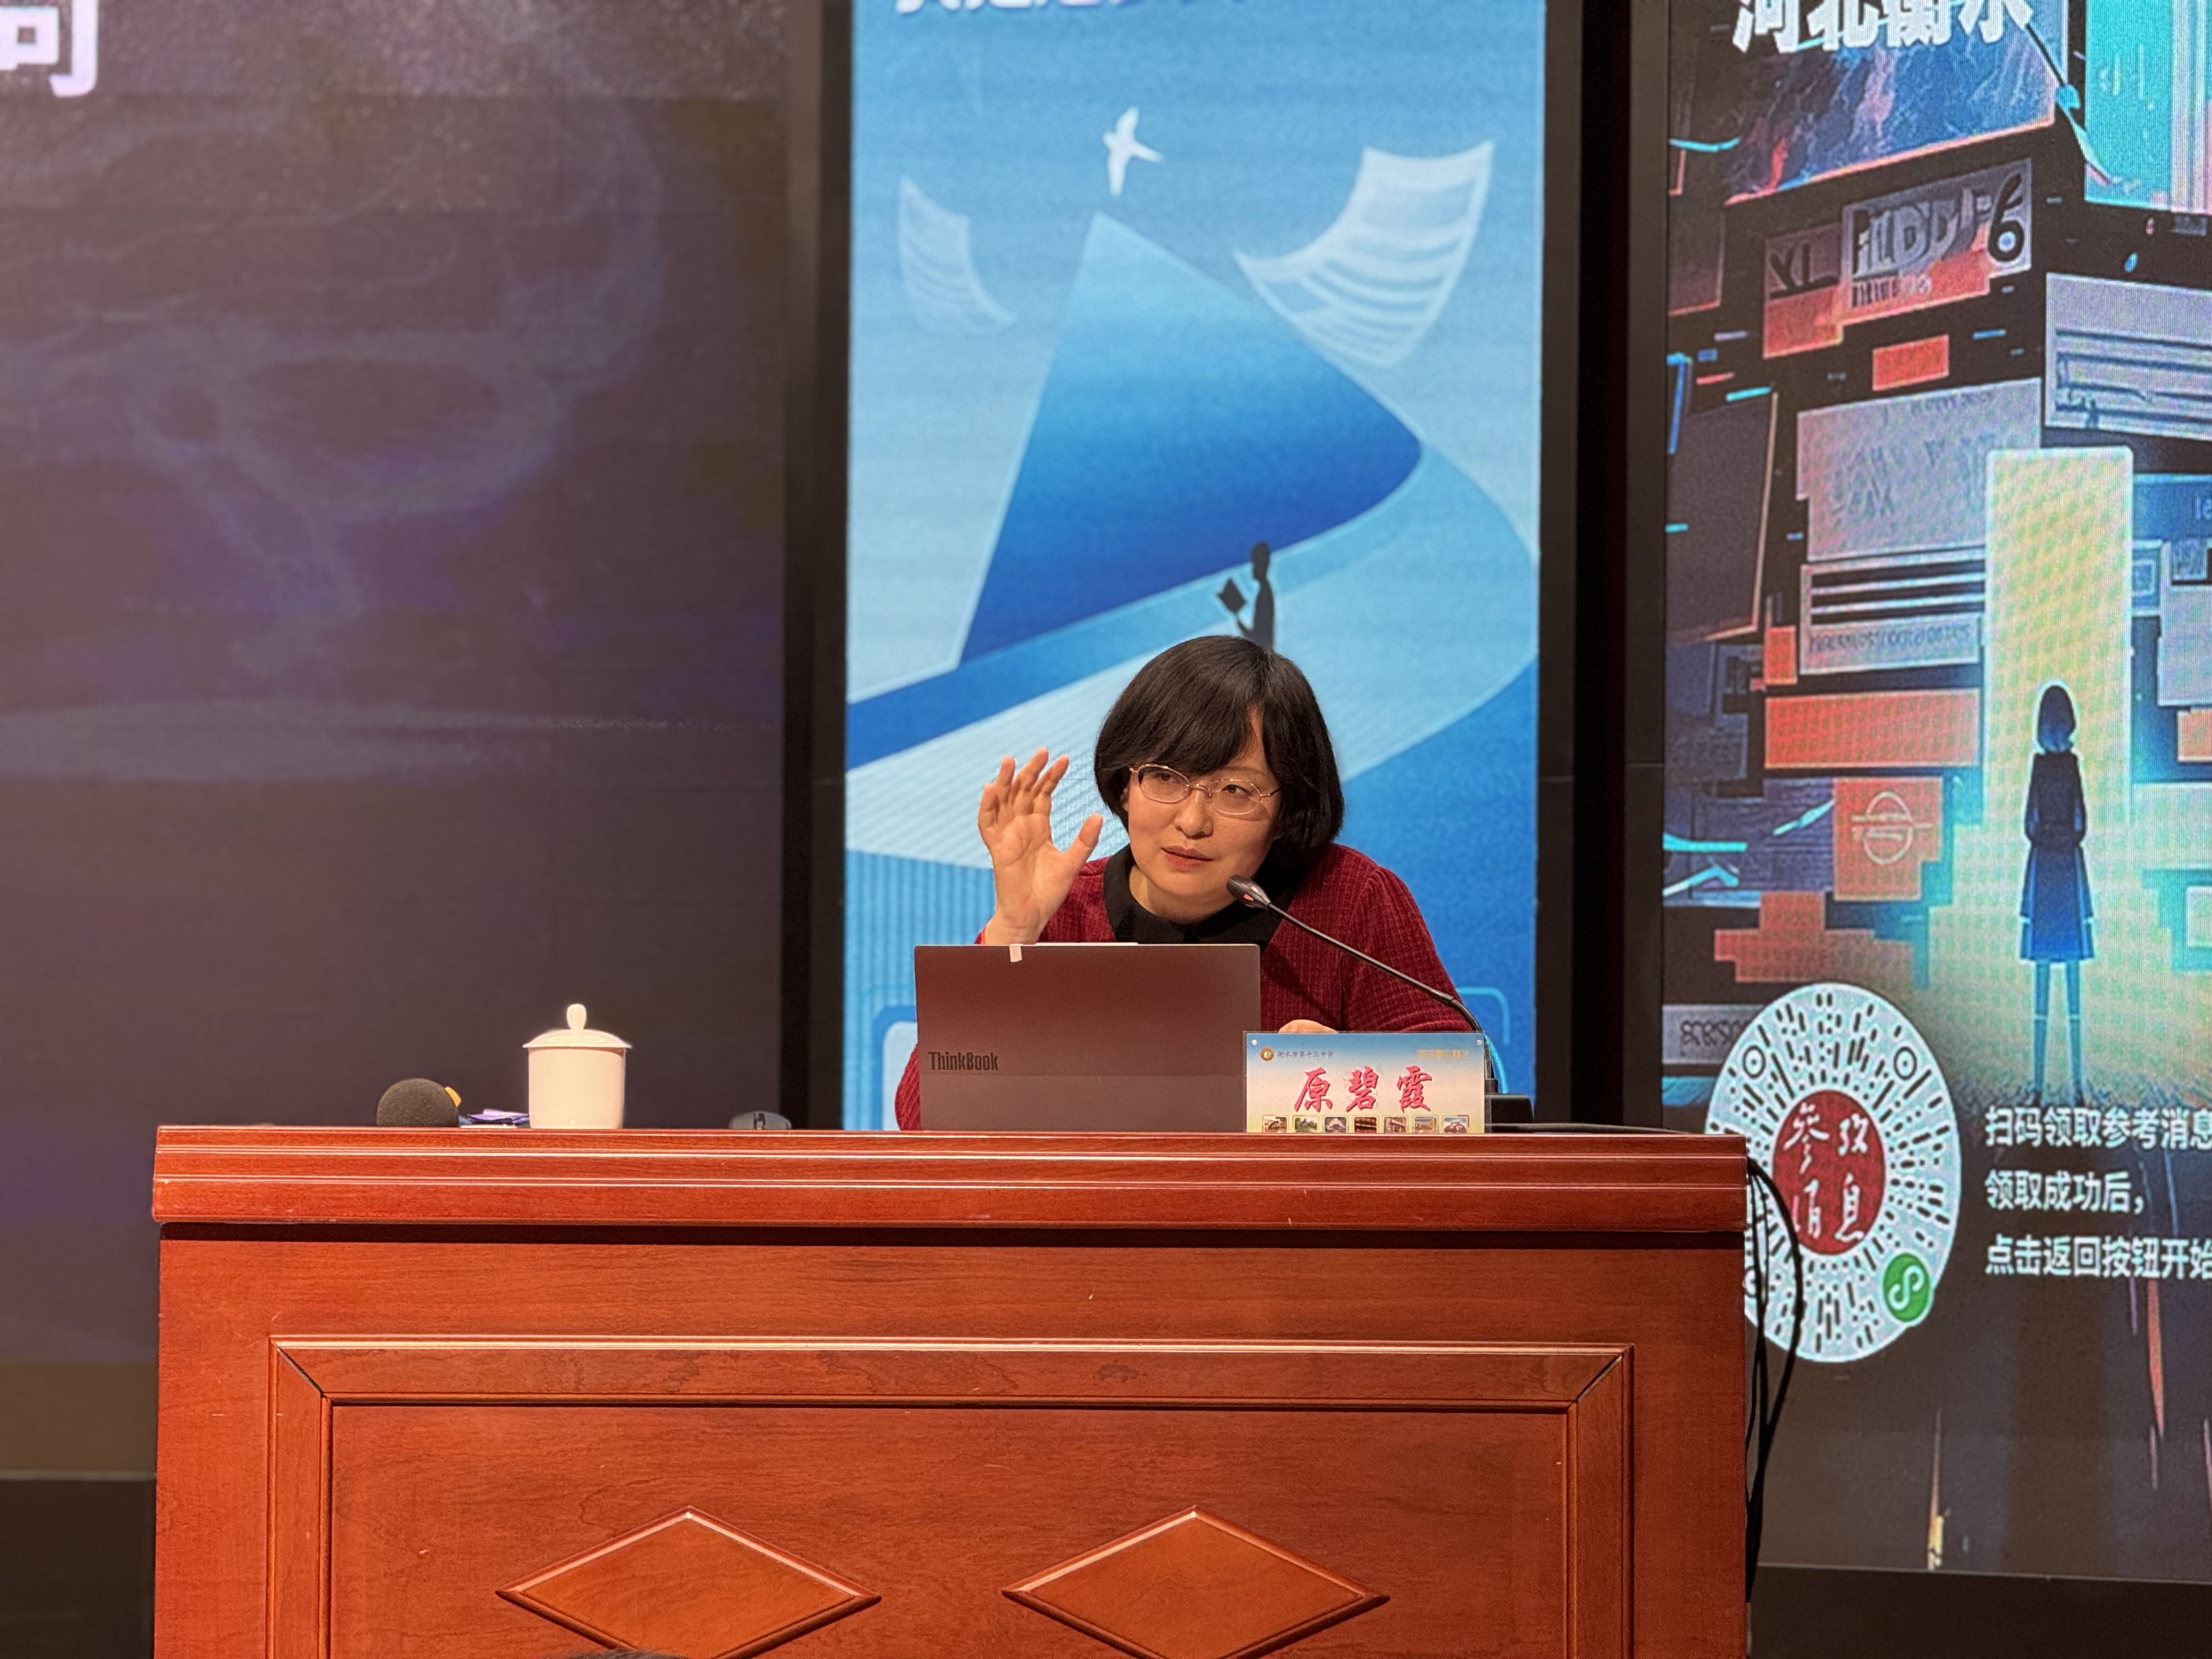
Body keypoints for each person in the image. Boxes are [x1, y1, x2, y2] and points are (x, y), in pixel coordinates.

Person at [894, 635, 1470, 1130]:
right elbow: (924, 1121)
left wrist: (1343, 1079)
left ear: (1287, 809)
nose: (1193, 822)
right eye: (1166, 778)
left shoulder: (1349, 899)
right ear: (1125, 786)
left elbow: (1460, 1099)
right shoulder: (1061, 910)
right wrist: (1012, 931)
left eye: (1235, 791)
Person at [2020, 682, 2092, 1104]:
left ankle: (2049, 1086)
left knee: (2049, 987)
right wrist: (2061, 839)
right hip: (2059, 875)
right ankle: (2057, 1086)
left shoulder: (2056, 766)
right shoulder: (2059, 767)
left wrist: (2051, 839)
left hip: (2052, 875)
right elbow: (2074, 825)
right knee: (2060, 988)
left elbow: (2038, 825)